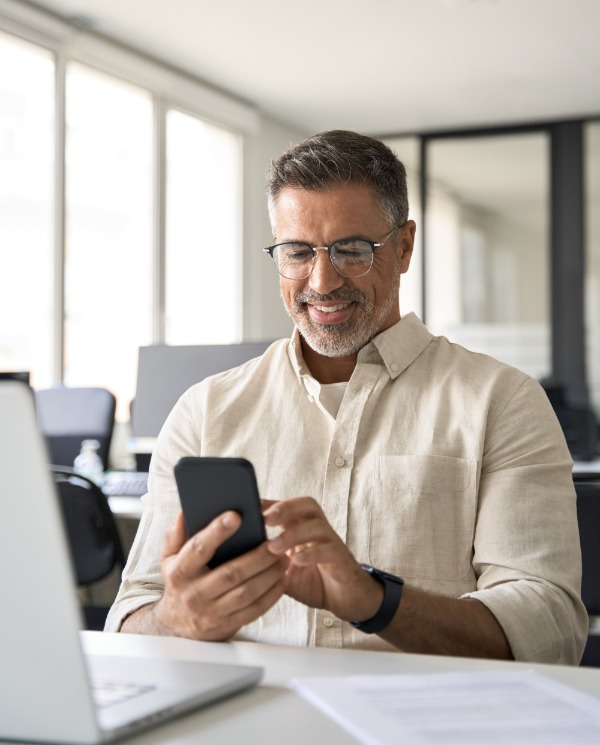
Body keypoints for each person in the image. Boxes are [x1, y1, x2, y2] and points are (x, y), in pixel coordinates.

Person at [106, 130, 587, 664]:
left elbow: (549, 626)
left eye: (351, 250)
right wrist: (176, 619)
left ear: (403, 247)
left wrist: (374, 600)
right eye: (296, 252)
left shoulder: (502, 401)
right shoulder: (205, 410)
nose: (322, 280)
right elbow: (130, 619)